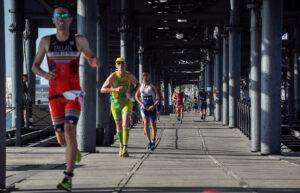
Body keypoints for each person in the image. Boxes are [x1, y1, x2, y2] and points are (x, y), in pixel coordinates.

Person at [32, 5, 100, 192]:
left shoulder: (79, 41)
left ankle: (68, 178)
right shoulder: (46, 41)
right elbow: (35, 66)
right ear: (53, 20)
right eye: (57, 16)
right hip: (54, 95)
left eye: (64, 15)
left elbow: (90, 55)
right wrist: (45, 74)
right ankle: (74, 150)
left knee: (70, 130)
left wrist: (93, 60)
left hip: (73, 94)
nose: (61, 18)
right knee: (62, 139)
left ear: (70, 19)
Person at [101, 57, 139, 158]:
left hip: (127, 101)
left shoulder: (128, 75)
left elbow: (137, 84)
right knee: (118, 126)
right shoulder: (113, 76)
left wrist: (133, 92)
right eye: (119, 63)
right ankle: (121, 145)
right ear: (116, 66)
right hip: (116, 103)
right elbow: (102, 89)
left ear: (125, 65)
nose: (121, 65)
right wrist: (115, 89)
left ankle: (125, 148)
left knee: (125, 123)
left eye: (122, 63)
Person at [135, 71, 162, 150]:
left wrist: (153, 106)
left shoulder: (153, 86)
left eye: (147, 75)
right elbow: (136, 96)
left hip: (153, 107)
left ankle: (153, 140)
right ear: (142, 77)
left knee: (153, 125)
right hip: (144, 107)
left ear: (149, 77)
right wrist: (141, 104)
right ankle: (149, 141)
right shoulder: (141, 87)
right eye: (144, 75)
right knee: (146, 122)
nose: (145, 77)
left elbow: (160, 97)